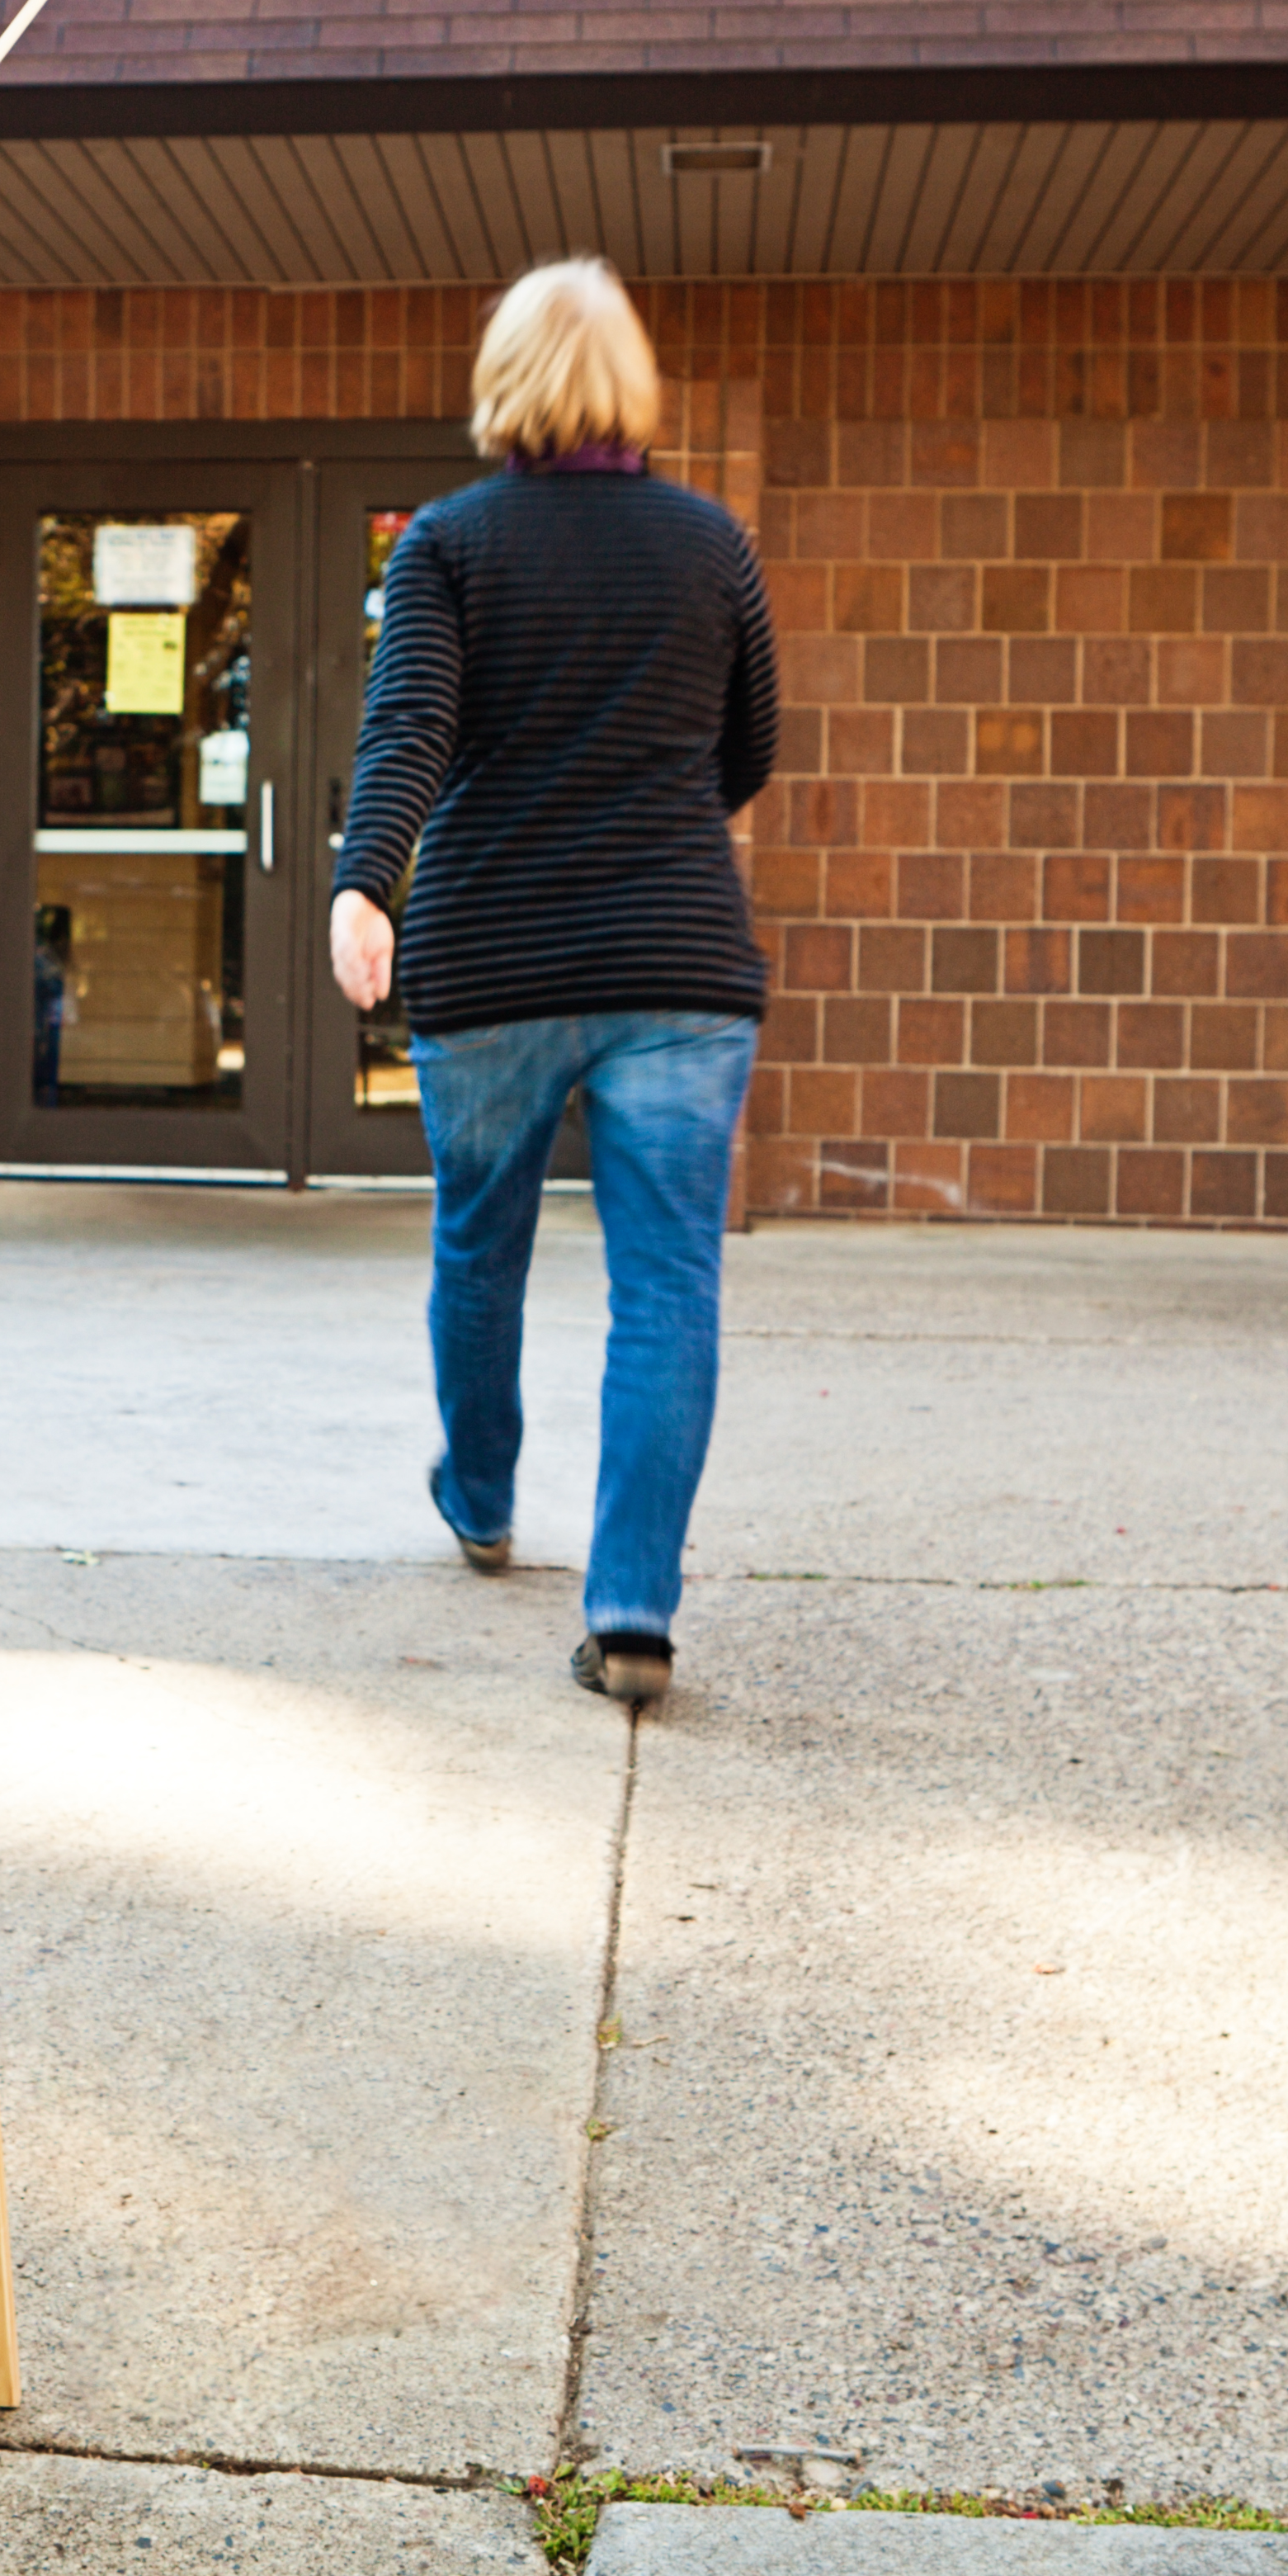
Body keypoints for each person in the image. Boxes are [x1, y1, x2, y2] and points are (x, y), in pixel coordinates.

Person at [329, 258, 776, 1709]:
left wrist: (363, 883)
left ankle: (480, 1496)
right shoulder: (712, 546)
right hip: (677, 960)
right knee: (670, 1284)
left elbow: (409, 732)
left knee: (482, 1243)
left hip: (497, 951)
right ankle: (634, 1608)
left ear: (503, 378)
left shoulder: (451, 545)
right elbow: (747, 757)